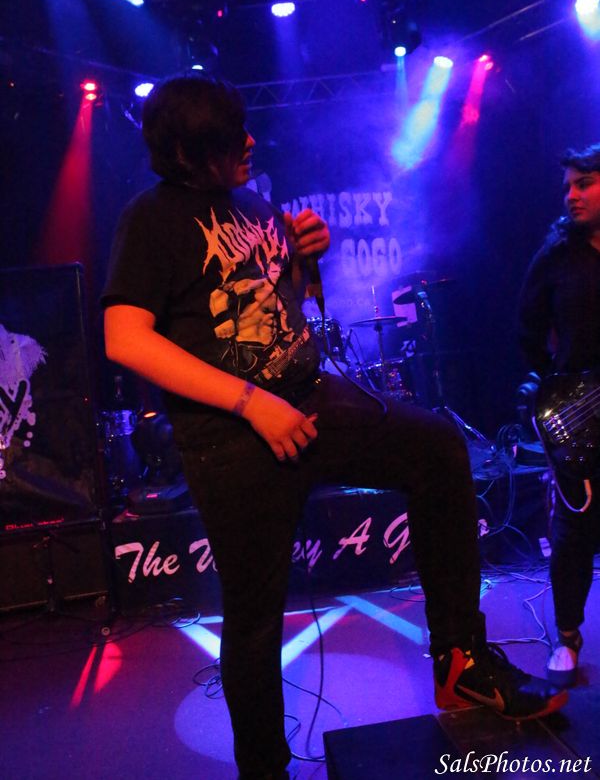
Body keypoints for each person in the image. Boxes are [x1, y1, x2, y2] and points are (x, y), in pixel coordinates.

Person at [103, 75, 566, 780]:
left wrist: (305, 263)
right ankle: (266, 769)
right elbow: (126, 338)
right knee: (255, 616)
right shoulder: (151, 219)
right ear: (191, 153)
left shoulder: (250, 203)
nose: (251, 142)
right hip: (232, 437)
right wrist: (250, 403)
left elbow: (282, 305)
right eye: (232, 138)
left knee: (439, 450)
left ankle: (461, 662)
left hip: (310, 397)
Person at [518, 143, 600, 689]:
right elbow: (526, 332)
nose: (570, 195)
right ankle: (567, 637)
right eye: (567, 185)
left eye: (584, 183)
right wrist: (557, 390)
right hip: (580, 413)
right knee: (575, 528)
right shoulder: (556, 257)